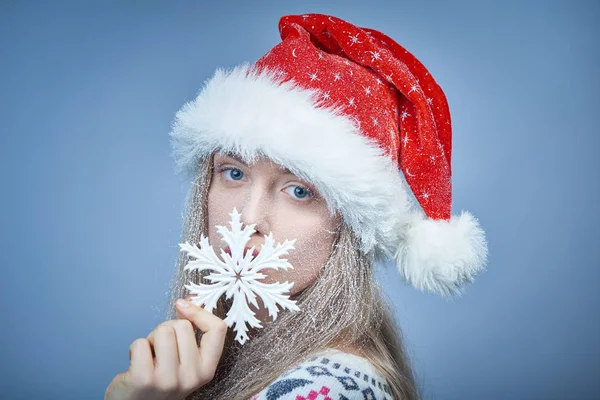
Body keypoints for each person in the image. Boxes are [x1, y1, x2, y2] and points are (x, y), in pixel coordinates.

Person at [105, 13, 488, 400]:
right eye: (234, 173)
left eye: (299, 191)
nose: (248, 219)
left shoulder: (328, 390)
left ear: (349, 228)